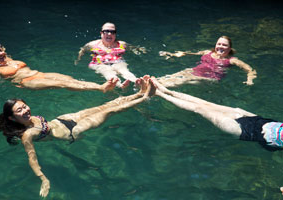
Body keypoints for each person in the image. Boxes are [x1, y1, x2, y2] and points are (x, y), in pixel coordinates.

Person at [0, 77, 155, 197]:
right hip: (72, 132)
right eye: (19, 111)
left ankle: (139, 94)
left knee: (106, 105)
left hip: (64, 119)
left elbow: (4, 118)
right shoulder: (28, 135)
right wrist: (44, 180)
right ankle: (147, 97)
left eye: (24, 106)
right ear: (12, 117)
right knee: (110, 111)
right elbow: (32, 159)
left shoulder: (17, 119)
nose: (25, 111)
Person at [149, 76, 283, 194]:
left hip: (243, 131)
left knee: (199, 109)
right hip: (257, 120)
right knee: (207, 104)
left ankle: (159, 94)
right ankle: (167, 90)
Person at [0, 42, 117, 92]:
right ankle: (101, 87)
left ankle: (100, 86)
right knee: (61, 84)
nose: (0, 53)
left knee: (69, 79)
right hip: (27, 82)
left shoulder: (8, 59)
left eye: (1, 50)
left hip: (40, 74)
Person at [158, 36, 257, 87]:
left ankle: (155, 87)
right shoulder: (208, 52)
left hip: (210, 78)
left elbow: (250, 70)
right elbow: (193, 53)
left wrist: (250, 80)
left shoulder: (232, 60)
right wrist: (176, 54)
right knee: (172, 76)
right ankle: (151, 84)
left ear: (229, 48)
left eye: (224, 45)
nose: (220, 47)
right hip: (195, 71)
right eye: (219, 44)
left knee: (181, 80)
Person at [74, 22, 146, 88]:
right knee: (107, 71)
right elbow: (82, 50)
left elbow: (132, 48)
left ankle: (136, 81)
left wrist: (140, 50)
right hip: (99, 63)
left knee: (124, 70)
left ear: (115, 34)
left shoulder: (121, 44)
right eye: (106, 31)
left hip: (118, 62)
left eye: (112, 32)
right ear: (101, 33)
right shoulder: (92, 44)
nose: (109, 34)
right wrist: (78, 59)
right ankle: (119, 85)